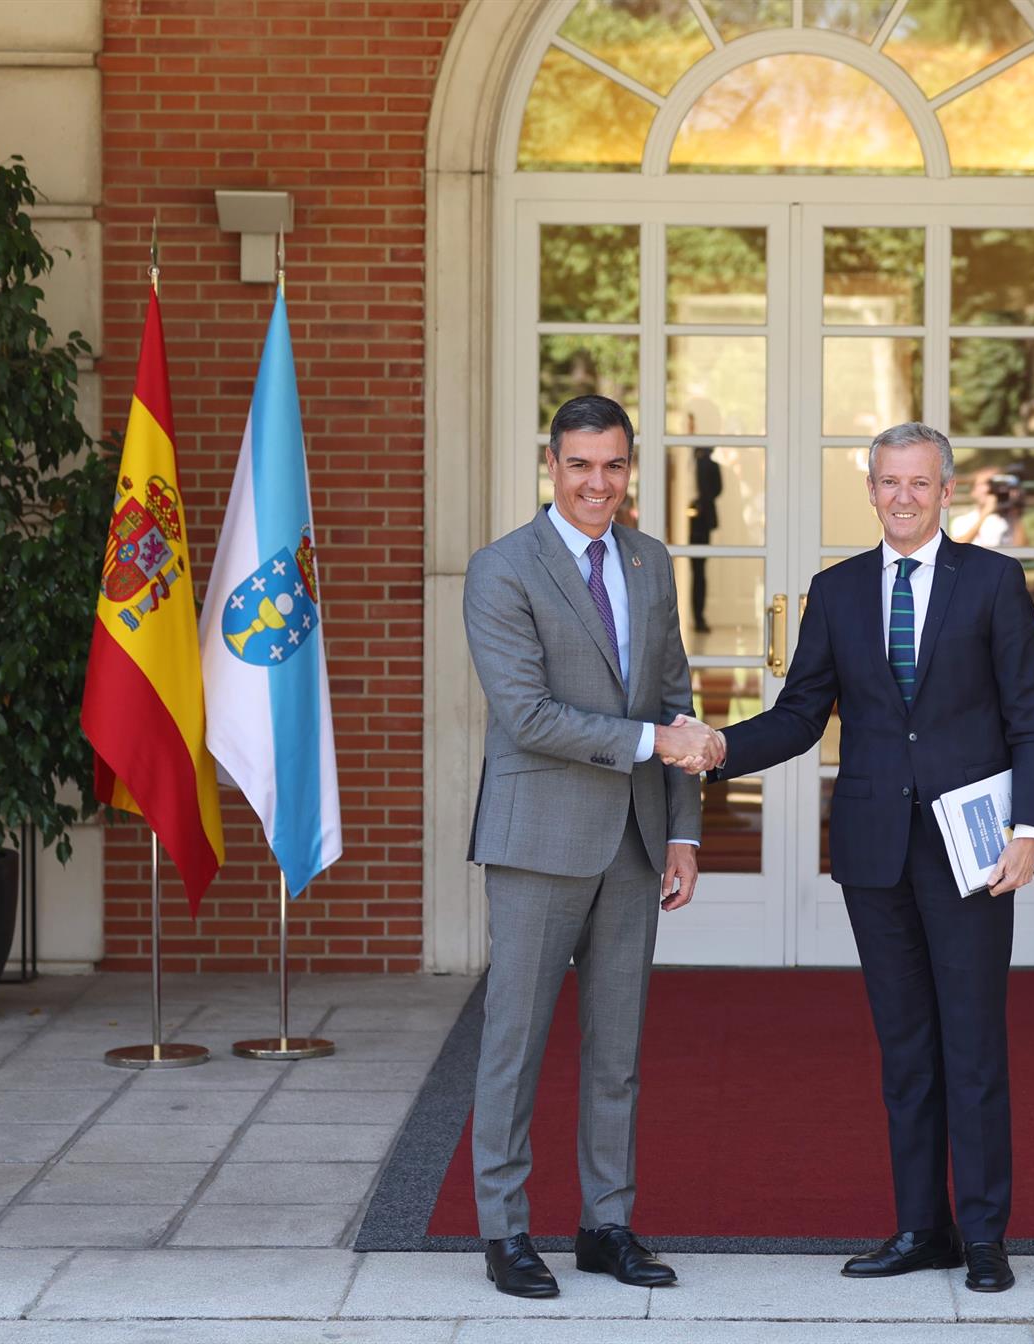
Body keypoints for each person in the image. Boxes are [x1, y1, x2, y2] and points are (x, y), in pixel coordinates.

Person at [707, 421, 1034, 1293]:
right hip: (874, 850)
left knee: (972, 1043)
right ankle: (919, 1228)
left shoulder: (994, 584)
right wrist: (717, 748)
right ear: (870, 490)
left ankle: (982, 1235)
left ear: (944, 490)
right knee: (905, 1047)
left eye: (918, 482)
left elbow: (1030, 721)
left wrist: (1032, 831)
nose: (902, 497)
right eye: (887, 482)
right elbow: (798, 716)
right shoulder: (838, 590)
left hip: (970, 850)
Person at [461, 394, 721, 1300]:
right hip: (538, 839)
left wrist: (683, 827)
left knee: (618, 1048)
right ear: (552, 464)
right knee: (516, 1040)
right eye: (580, 465)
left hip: (636, 843)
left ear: (629, 466)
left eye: (613, 465)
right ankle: (504, 1230)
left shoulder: (649, 561)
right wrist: (655, 745)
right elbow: (528, 716)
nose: (597, 484)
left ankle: (607, 1224)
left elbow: (672, 691)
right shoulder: (503, 569)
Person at [687, 446, 722, 633]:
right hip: (678, 519)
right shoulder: (681, 458)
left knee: (699, 571)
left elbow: (716, 489)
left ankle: (699, 617)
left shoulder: (710, 464)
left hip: (700, 522)